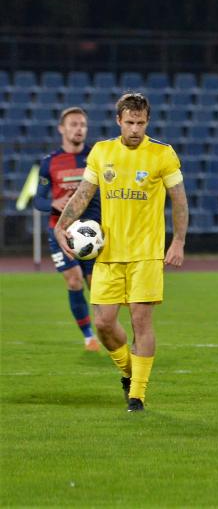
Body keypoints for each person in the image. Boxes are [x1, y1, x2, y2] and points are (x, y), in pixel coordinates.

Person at [54, 92, 189, 413]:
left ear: (147, 122)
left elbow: (179, 200)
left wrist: (179, 241)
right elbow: (84, 194)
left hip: (146, 254)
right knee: (103, 323)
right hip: (109, 253)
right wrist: (62, 226)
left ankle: (137, 397)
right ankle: (130, 372)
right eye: (129, 123)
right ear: (119, 121)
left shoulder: (162, 154)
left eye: (141, 123)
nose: (135, 129)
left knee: (141, 320)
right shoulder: (102, 152)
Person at [33, 107, 101, 352]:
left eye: (82, 124)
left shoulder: (97, 157)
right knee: (73, 282)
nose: (78, 128)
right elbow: (37, 200)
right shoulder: (49, 162)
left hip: (93, 233)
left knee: (97, 287)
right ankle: (88, 336)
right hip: (60, 233)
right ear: (62, 129)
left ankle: (105, 328)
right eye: (73, 124)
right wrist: (52, 203)